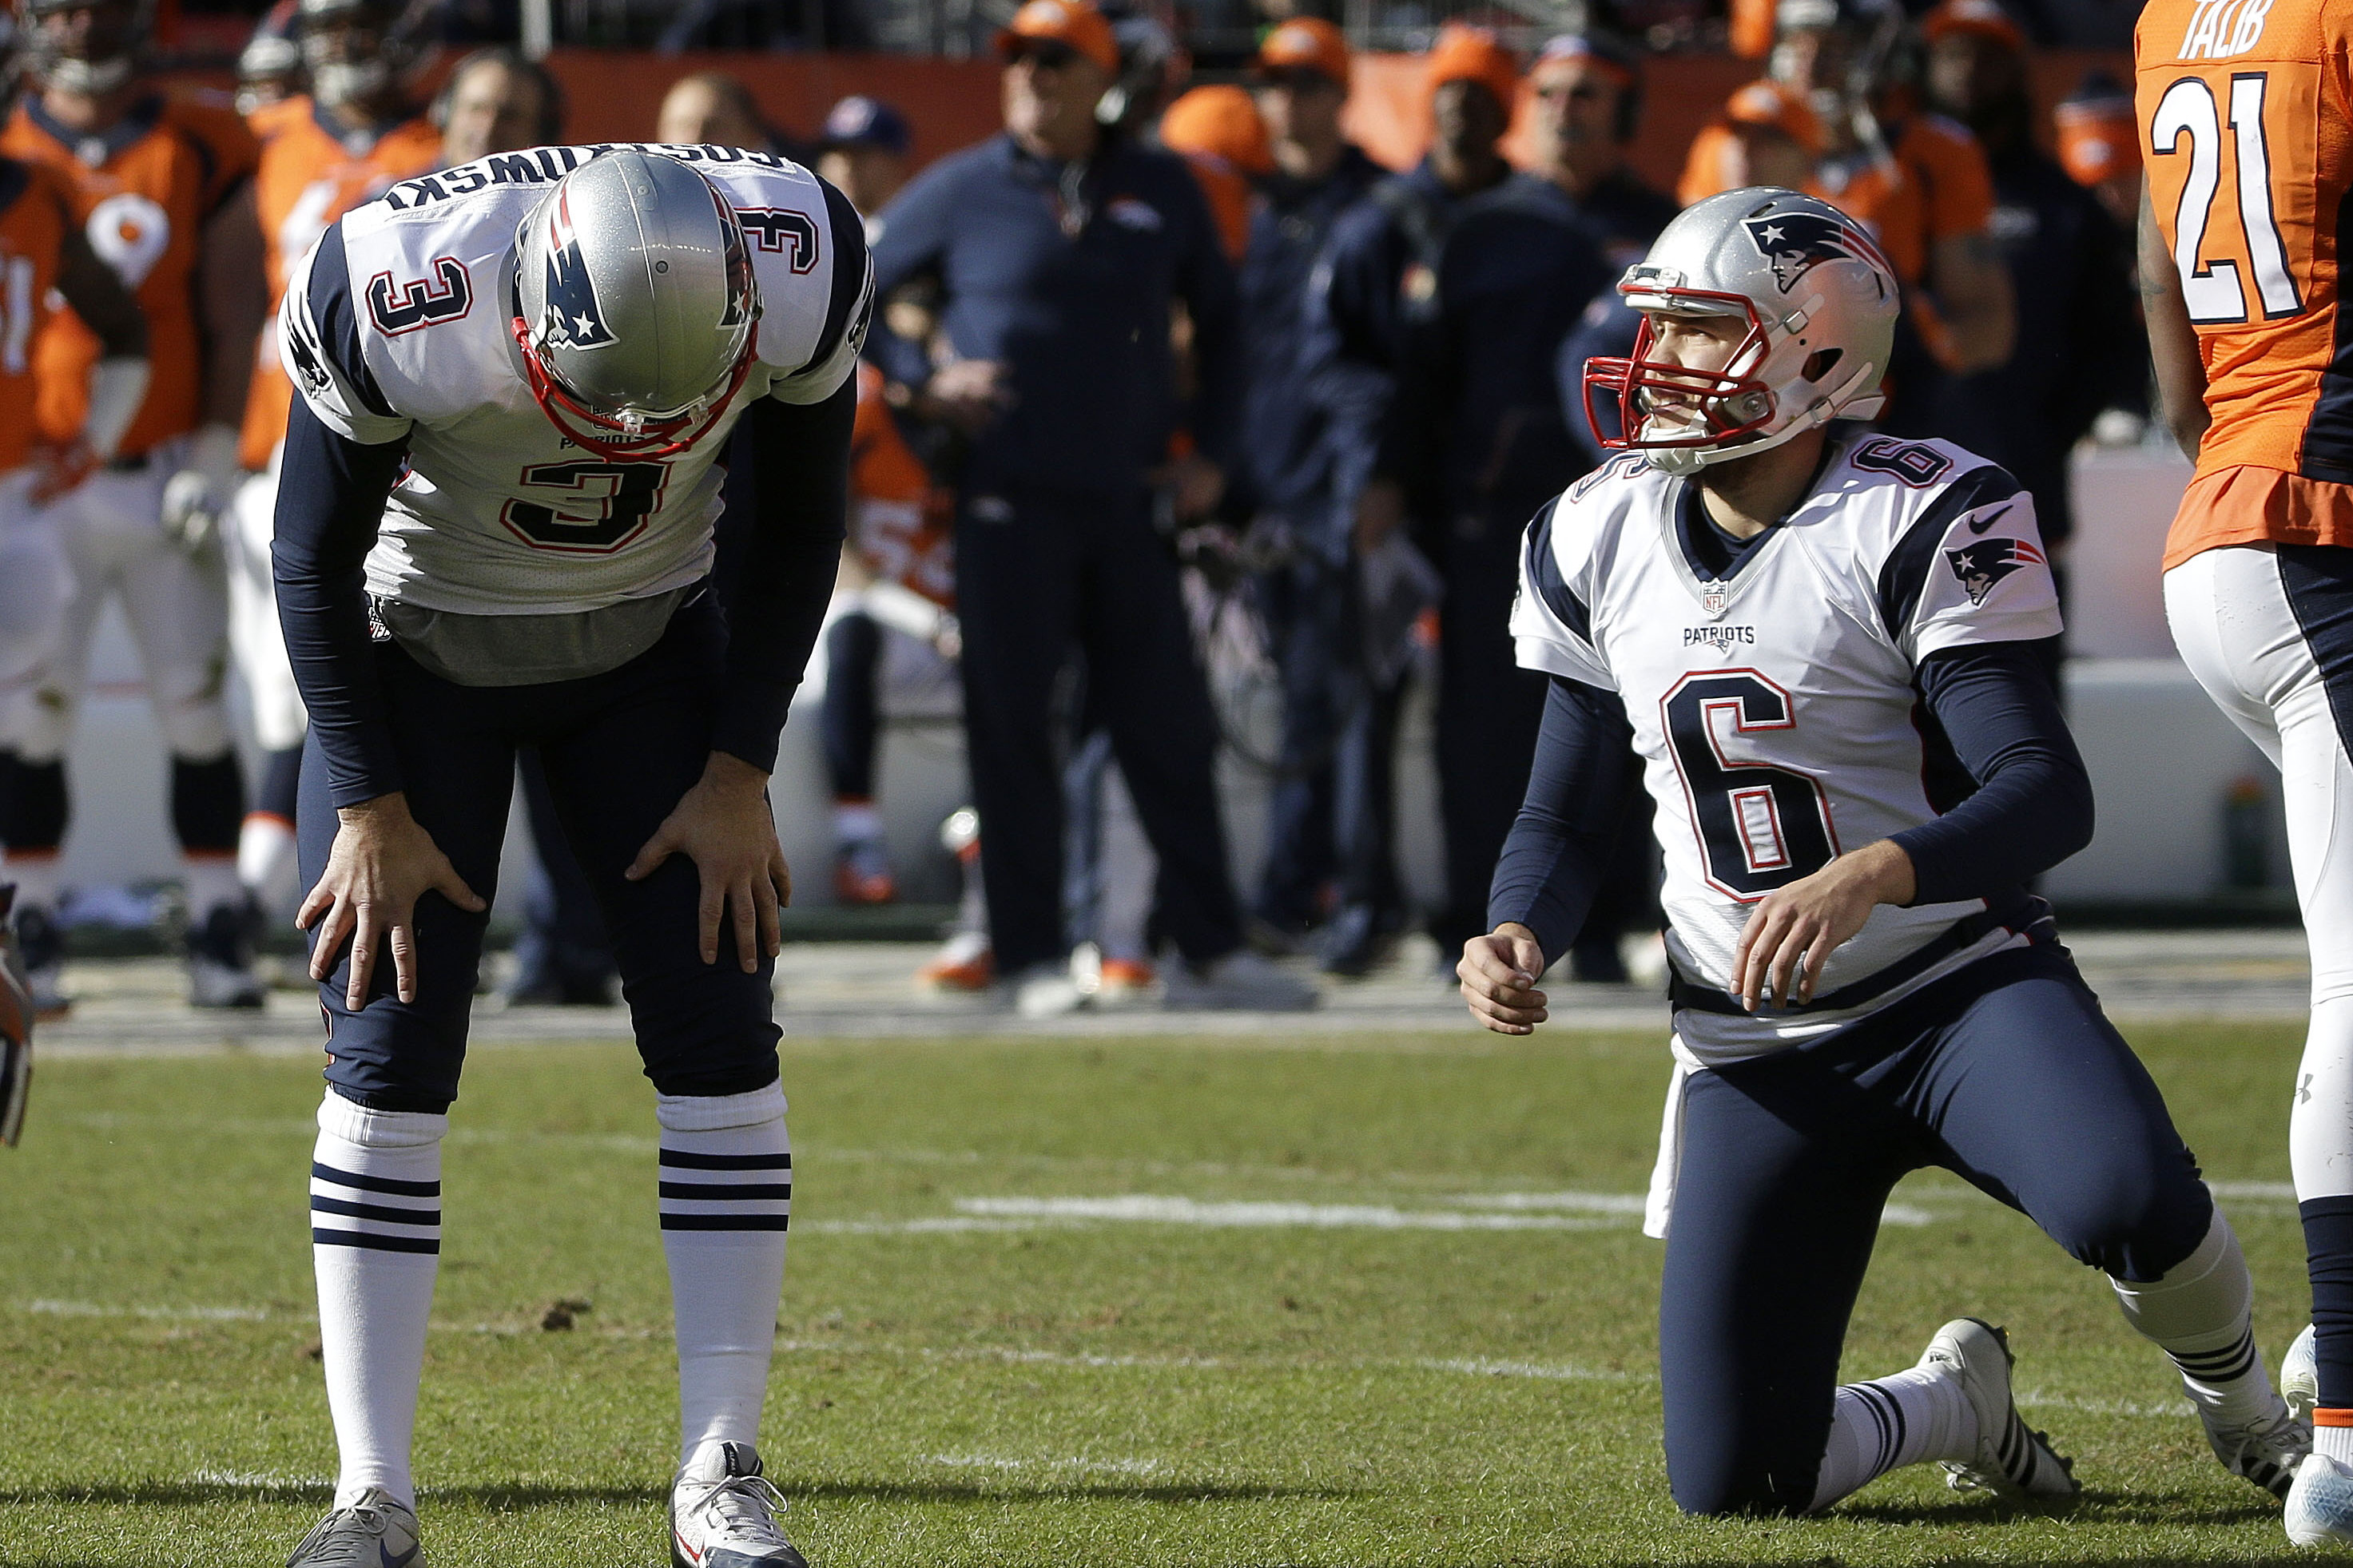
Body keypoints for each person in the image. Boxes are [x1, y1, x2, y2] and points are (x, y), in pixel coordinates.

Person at [1464, 186, 2309, 1515]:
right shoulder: (1596, 527)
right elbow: (1563, 817)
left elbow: (2043, 791)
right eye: (1662, 329)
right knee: (1735, 1484)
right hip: (1752, 1046)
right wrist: (1517, 923)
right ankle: (1950, 1402)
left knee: (2122, 1196)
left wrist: (1881, 868)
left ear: (1814, 354)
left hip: (1953, 987)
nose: (1658, 361)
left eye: (1698, 330)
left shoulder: (1921, 512)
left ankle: (2252, 1409)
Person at [271, 145, 868, 1566]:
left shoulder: (798, 255)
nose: (639, 427)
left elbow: (797, 526)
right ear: (529, 306)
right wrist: (370, 805)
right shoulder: (399, 286)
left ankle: (722, 1465)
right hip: (418, 659)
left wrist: (741, 769)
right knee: (389, 1042)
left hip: (652, 652)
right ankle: (372, 1489)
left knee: (723, 1022)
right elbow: (308, 556)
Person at [867, 0, 1314, 1014]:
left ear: (1103, 76)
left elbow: (1229, 328)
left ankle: (1206, 948)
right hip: (1005, 500)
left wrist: (1214, 452)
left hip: (1127, 500)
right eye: (1021, 58)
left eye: (1056, 60)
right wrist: (921, 380)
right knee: (1013, 730)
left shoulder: (1160, 184)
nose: (1032, 76)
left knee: (1167, 727)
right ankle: (1025, 954)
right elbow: (855, 293)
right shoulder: (963, 186)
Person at [2137, 0, 2353, 1541]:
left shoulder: (2172, 19)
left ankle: (2344, 1346)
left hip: (2231, 502)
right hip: (2316, 536)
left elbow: (2156, 272)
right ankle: (2345, 1431)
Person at [0, 0, 267, 1011]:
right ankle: (33, 919)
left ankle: (214, 920)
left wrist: (209, 450)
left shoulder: (202, 135)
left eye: (95, 5)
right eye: (58, 7)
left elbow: (231, 307)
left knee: (193, 707)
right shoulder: (17, 146)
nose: (77, 26)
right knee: (34, 714)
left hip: (160, 470)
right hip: (34, 481)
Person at [1378, 35, 1647, 975]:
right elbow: (1424, 379)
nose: (1566, 109)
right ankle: (1475, 916)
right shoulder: (1483, 228)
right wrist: (1401, 495)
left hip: (1631, 524)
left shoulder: (1668, 226)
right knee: (1481, 733)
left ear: (1624, 108)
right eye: (1551, 92)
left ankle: (1615, 925)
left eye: (1590, 92)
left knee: (1629, 722)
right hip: (1495, 523)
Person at [1301, 22, 1519, 975]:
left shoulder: (1525, 222)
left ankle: (1473, 913)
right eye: (1448, 95)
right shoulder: (1379, 220)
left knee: (1486, 716)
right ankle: (1362, 903)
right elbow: (1332, 357)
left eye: (1479, 95)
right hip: (1391, 503)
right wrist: (1373, 471)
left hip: (1492, 507)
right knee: (1367, 707)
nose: (1462, 111)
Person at [229, 0, 443, 926]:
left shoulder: (442, 147)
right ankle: (259, 897)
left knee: (360, 670)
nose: (343, 43)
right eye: (332, 23)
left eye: (362, 21)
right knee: (280, 685)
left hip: (399, 441)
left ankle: (266, 898)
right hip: (283, 433)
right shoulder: (261, 137)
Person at [1226, 18, 1384, 953]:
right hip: (1265, 484)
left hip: (1355, 487)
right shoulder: (1240, 201)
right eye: (1273, 83)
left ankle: (1333, 898)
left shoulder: (1377, 203)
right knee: (1301, 699)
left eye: (1304, 82)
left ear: (1338, 93)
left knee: (1348, 702)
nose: (1286, 100)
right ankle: (1307, 892)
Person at [1769, 0, 2015, 414]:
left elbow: (1987, 326)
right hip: (1763, 401)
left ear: (1879, 51)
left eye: (1834, 47)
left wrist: (1905, 360)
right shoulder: (1736, 141)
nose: (1812, 68)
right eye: (1801, 45)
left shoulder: (1936, 152)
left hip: (1886, 409)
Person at [813, 94, 910, 219]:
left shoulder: (918, 230)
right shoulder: (817, 232)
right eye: (838, 153)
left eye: (860, 154)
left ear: (895, 161)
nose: (848, 166)